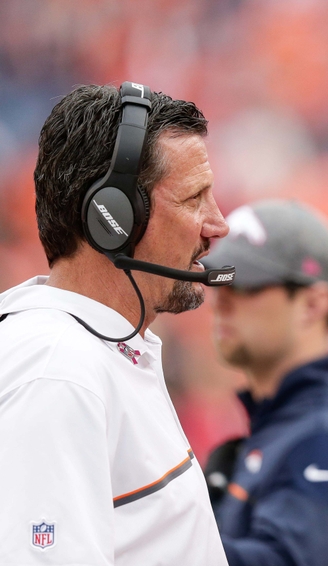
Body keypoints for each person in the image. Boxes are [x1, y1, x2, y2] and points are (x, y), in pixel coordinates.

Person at [0, 82, 230, 564]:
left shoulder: (102, 347)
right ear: (113, 220)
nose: (218, 224)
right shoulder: (59, 372)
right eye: (194, 199)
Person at [203, 199, 328, 566]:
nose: (221, 301)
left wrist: (158, 539)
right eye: (219, 282)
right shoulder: (288, 427)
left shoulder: (326, 438)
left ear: (314, 304)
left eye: (246, 284)